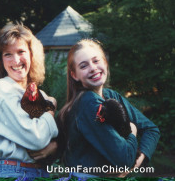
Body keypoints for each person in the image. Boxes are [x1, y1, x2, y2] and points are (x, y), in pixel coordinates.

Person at [57, 39, 160, 178]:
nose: (93, 68)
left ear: (105, 62)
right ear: (74, 75)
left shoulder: (111, 96)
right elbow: (124, 160)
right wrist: (133, 132)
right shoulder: (88, 103)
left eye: (96, 61)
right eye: (83, 66)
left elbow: (151, 129)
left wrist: (139, 159)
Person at [0, 23, 58, 179]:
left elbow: (55, 136)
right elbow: (37, 138)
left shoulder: (41, 95)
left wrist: (54, 146)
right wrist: (50, 109)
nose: (16, 60)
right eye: (7, 54)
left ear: (32, 54)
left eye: (21, 51)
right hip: (14, 171)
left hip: (41, 172)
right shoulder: (2, 89)